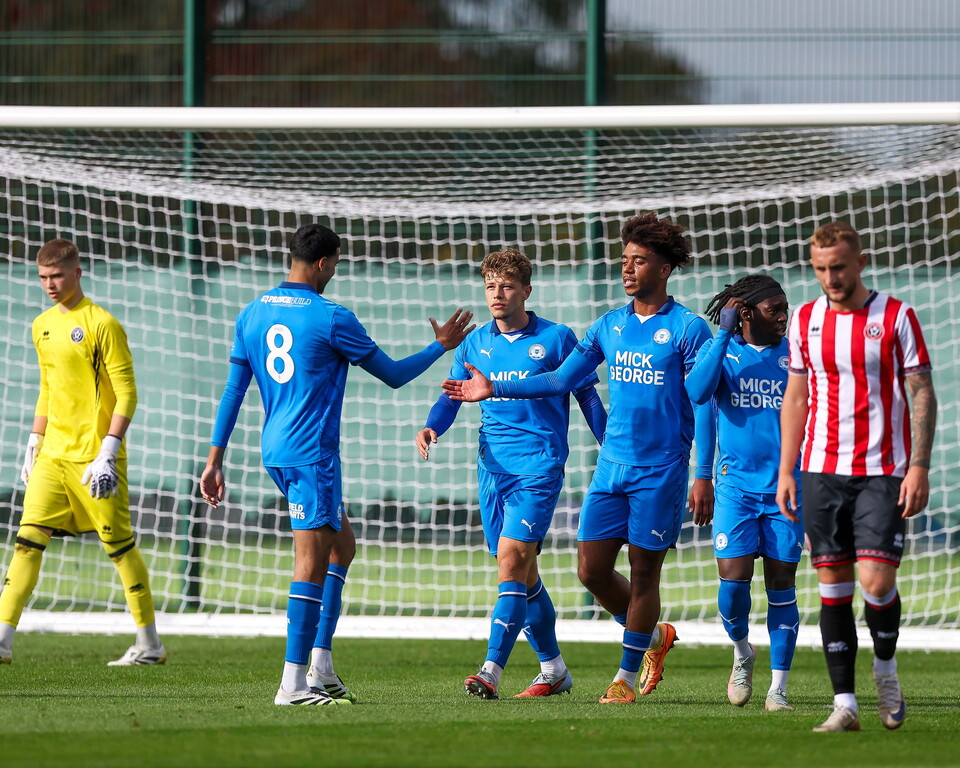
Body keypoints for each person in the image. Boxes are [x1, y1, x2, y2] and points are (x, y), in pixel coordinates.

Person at [443, 212, 715, 704]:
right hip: (611, 468)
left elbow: (704, 400)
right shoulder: (608, 326)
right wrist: (493, 387)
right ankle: (652, 636)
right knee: (589, 572)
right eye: (625, 260)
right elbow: (559, 380)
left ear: (665, 268)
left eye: (639, 261)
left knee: (643, 571)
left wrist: (702, 474)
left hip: (662, 470)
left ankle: (625, 678)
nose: (628, 269)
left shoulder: (689, 329)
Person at [199, 223, 473, 706]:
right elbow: (392, 375)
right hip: (312, 456)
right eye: (338, 264)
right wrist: (440, 347)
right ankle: (291, 684)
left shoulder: (253, 312)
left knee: (341, 547)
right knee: (310, 563)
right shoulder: (331, 317)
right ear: (325, 263)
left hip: (275, 452)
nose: (337, 272)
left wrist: (214, 460)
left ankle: (321, 666)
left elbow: (233, 391)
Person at [417, 248, 607, 700]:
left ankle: (490, 670)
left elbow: (589, 401)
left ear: (526, 290)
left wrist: (612, 446)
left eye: (505, 286)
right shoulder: (473, 343)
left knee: (511, 562)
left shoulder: (558, 339)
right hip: (492, 468)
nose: (496, 295)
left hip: (538, 467)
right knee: (522, 574)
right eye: (489, 287)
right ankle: (554, 669)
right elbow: (452, 397)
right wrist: (431, 425)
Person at [776, 221, 937, 733]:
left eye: (839, 267)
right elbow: (796, 397)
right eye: (821, 269)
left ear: (860, 261)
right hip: (821, 470)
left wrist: (919, 465)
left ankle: (885, 671)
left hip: (883, 472)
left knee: (876, 579)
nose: (830, 278)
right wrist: (787, 469)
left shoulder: (896, 316)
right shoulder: (804, 320)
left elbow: (922, 393)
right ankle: (844, 703)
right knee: (833, 586)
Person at [0, 238, 165, 666]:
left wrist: (109, 449)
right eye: (43, 277)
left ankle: (149, 645)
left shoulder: (102, 324)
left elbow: (127, 394)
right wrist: (34, 441)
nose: (50, 284)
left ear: (77, 273)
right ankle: (2, 641)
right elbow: (47, 391)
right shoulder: (41, 325)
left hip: (97, 461)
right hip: (53, 457)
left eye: (56, 276)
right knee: (25, 543)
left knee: (120, 549)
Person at [686, 275, 802, 712]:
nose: (784, 317)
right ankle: (741, 653)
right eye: (775, 310)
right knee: (733, 583)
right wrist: (722, 331)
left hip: (786, 490)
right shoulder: (723, 352)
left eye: (785, 308)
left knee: (781, 585)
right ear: (747, 314)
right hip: (735, 487)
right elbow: (697, 393)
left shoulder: (795, 356)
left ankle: (779, 688)